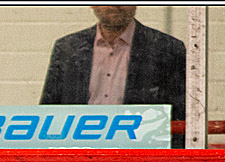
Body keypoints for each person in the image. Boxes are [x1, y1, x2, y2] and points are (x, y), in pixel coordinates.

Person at [40, 7, 186, 123]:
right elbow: (48, 110)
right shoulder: (67, 48)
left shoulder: (167, 49)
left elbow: (182, 114)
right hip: (77, 151)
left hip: (140, 153)